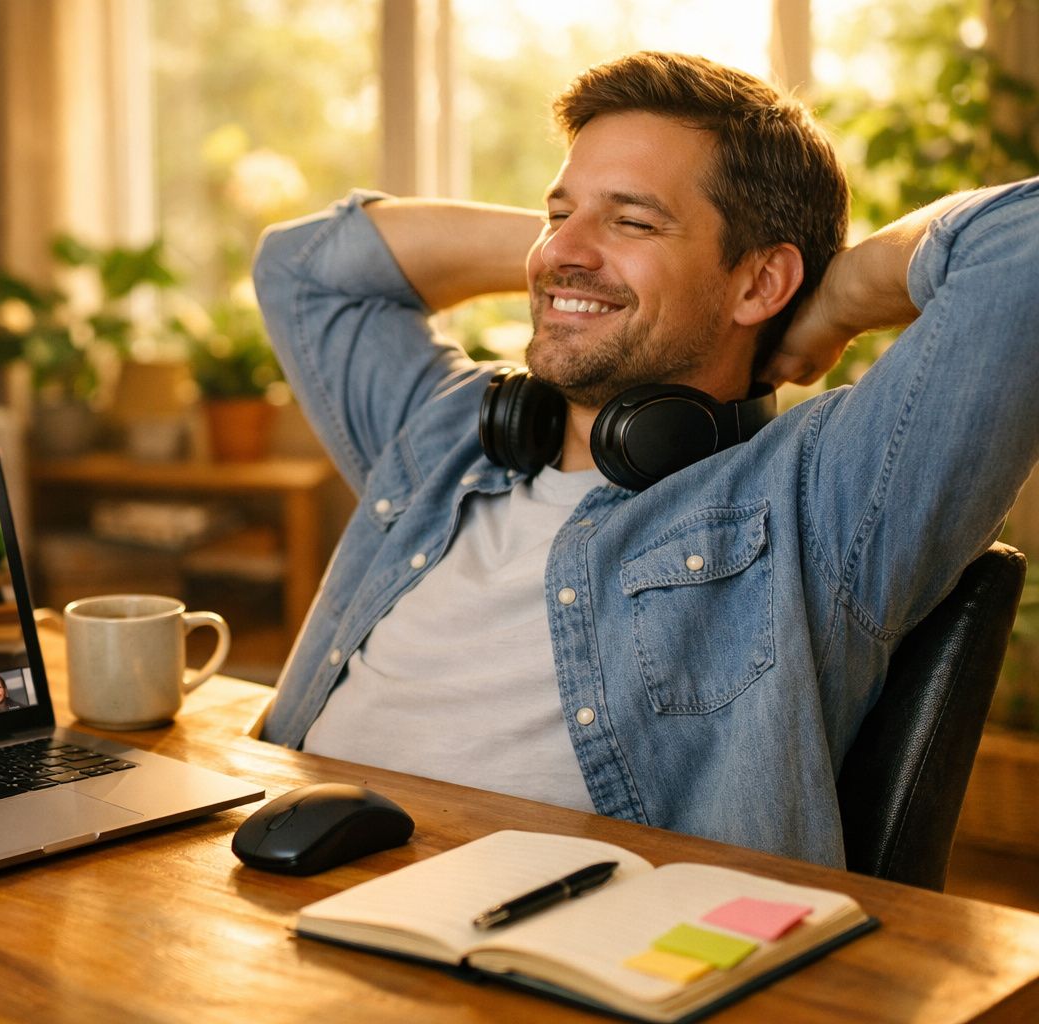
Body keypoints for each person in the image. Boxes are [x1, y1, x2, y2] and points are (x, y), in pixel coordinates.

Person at [252, 50, 1039, 867]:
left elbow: (1024, 247)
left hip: (560, 965)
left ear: (761, 282)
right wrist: (575, 248)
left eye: (634, 221)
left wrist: (832, 299)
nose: (562, 249)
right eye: (557, 212)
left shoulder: (816, 496)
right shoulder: (448, 431)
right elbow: (304, 268)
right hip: (273, 885)